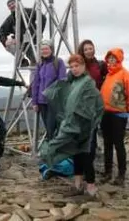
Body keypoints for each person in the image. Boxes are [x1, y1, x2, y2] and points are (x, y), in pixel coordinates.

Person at [39, 54, 104, 197]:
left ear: (83, 66)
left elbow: (95, 107)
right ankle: (77, 185)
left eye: (77, 66)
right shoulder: (72, 82)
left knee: (87, 157)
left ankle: (91, 187)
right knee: (76, 155)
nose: (74, 69)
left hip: (85, 127)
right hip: (72, 126)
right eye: (72, 66)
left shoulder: (88, 83)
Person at [100, 48, 129, 186]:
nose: (111, 60)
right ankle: (107, 172)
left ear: (119, 59)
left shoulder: (125, 74)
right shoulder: (108, 76)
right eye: (109, 58)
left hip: (119, 114)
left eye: (114, 58)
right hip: (106, 113)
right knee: (107, 144)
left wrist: (126, 110)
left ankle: (121, 175)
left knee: (118, 144)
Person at [77, 39, 108, 162]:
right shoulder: (79, 66)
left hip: (99, 104)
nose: (89, 51)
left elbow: (108, 80)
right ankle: (88, 165)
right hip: (84, 106)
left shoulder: (100, 65)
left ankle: (93, 163)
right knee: (88, 136)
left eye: (91, 48)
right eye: (86, 49)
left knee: (97, 135)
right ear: (82, 52)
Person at [31, 39, 67, 140]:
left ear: (51, 49)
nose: (44, 51)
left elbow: (62, 82)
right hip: (41, 102)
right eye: (42, 49)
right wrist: (34, 102)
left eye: (46, 48)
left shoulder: (58, 62)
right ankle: (53, 150)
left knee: (51, 128)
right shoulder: (40, 64)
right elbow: (35, 84)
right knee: (48, 127)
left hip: (53, 102)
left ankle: (54, 150)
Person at [0, 0, 47, 67]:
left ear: (17, 3)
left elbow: (43, 17)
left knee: (35, 59)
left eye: (13, 3)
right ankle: (22, 60)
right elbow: (2, 31)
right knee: (8, 46)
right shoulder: (10, 20)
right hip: (21, 42)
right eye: (9, 5)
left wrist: (39, 32)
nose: (12, 6)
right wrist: (5, 41)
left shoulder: (29, 11)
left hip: (33, 41)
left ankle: (36, 67)